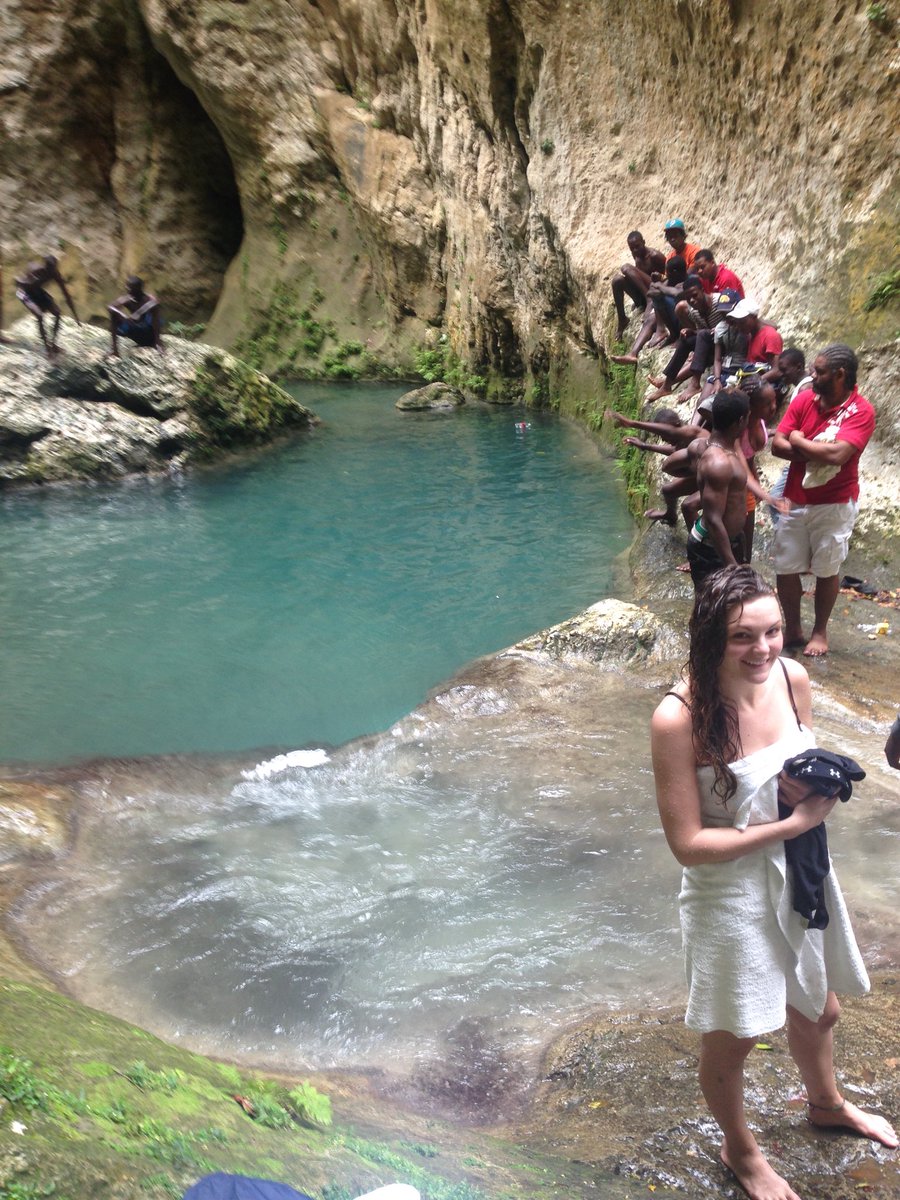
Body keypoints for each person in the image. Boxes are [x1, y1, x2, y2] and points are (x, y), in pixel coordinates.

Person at [651, 565, 897, 1200]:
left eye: (773, 632)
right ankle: (742, 1151)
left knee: (819, 1004)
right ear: (709, 637)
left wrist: (811, 798)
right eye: (742, 637)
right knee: (737, 1032)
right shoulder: (680, 717)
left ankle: (827, 1104)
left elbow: (803, 775)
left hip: (802, 863)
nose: (762, 650)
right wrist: (794, 823)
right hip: (728, 885)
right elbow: (688, 846)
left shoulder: (793, 677)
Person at [771, 343, 875, 658]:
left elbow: (838, 455)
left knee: (827, 568)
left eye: (819, 371)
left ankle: (820, 631)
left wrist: (800, 440)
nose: (812, 375)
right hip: (794, 498)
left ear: (840, 375)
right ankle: (793, 628)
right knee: (785, 566)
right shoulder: (804, 400)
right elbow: (776, 445)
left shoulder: (861, 411)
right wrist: (811, 449)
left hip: (835, 502)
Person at [685, 389, 751, 587]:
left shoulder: (724, 449)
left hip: (721, 543)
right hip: (710, 547)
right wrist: (731, 565)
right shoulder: (718, 463)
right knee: (710, 607)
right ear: (740, 421)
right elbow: (714, 518)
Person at [610, 254, 688, 366]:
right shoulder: (670, 281)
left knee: (660, 299)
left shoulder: (689, 281)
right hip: (671, 314)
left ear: (675, 272)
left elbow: (677, 293)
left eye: (668, 273)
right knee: (650, 319)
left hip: (686, 320)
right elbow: (651, 293)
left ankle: (664, 331)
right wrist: (656, 284)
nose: (666, 276)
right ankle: (632, 354)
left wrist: (660, 287)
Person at [15, 255, 81, 356]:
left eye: (53, 268)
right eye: (49, 268)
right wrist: (23, 282)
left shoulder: (55, 274)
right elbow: (19, 282)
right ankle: (47, 348)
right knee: (40, 315)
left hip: (38, 292)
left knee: (57, 313)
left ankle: (53, 343)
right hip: (25, 293)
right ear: (45, 266)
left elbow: (66, 295)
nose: (51, 271)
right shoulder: (36, 270)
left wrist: (76, 317)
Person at [611, 231, 667, 341]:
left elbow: (668, 279)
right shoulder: (636, 254)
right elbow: (638, 274)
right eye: (632, 248)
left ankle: (649, 300)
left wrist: (657, 283)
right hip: (642, 293)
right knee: (617, 280)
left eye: (637, 247)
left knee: (626, 268)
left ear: (644, 242)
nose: (635, 251)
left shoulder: (655, 256)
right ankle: (622, 319)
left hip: (655, 292)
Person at [108, 276, 164, 355]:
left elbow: (155, 305)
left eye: (129, 287)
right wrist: (124, 317)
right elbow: (111, 307)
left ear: (138, 288)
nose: (126, 288)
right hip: (135, 330)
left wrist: (139, 313)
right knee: (114, 315)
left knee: (155, 311)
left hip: (149, 332)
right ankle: (114, 349)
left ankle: (158, 343)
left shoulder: (148, 299)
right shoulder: (127, 299)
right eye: (127, 286)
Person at [730, 298, 783, 368]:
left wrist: (756, 379)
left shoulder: (770, 336)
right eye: (737, 322)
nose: (739, 326)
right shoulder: (750, 335)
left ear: (754, 317)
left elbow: (776, 370)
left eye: (742, 322)